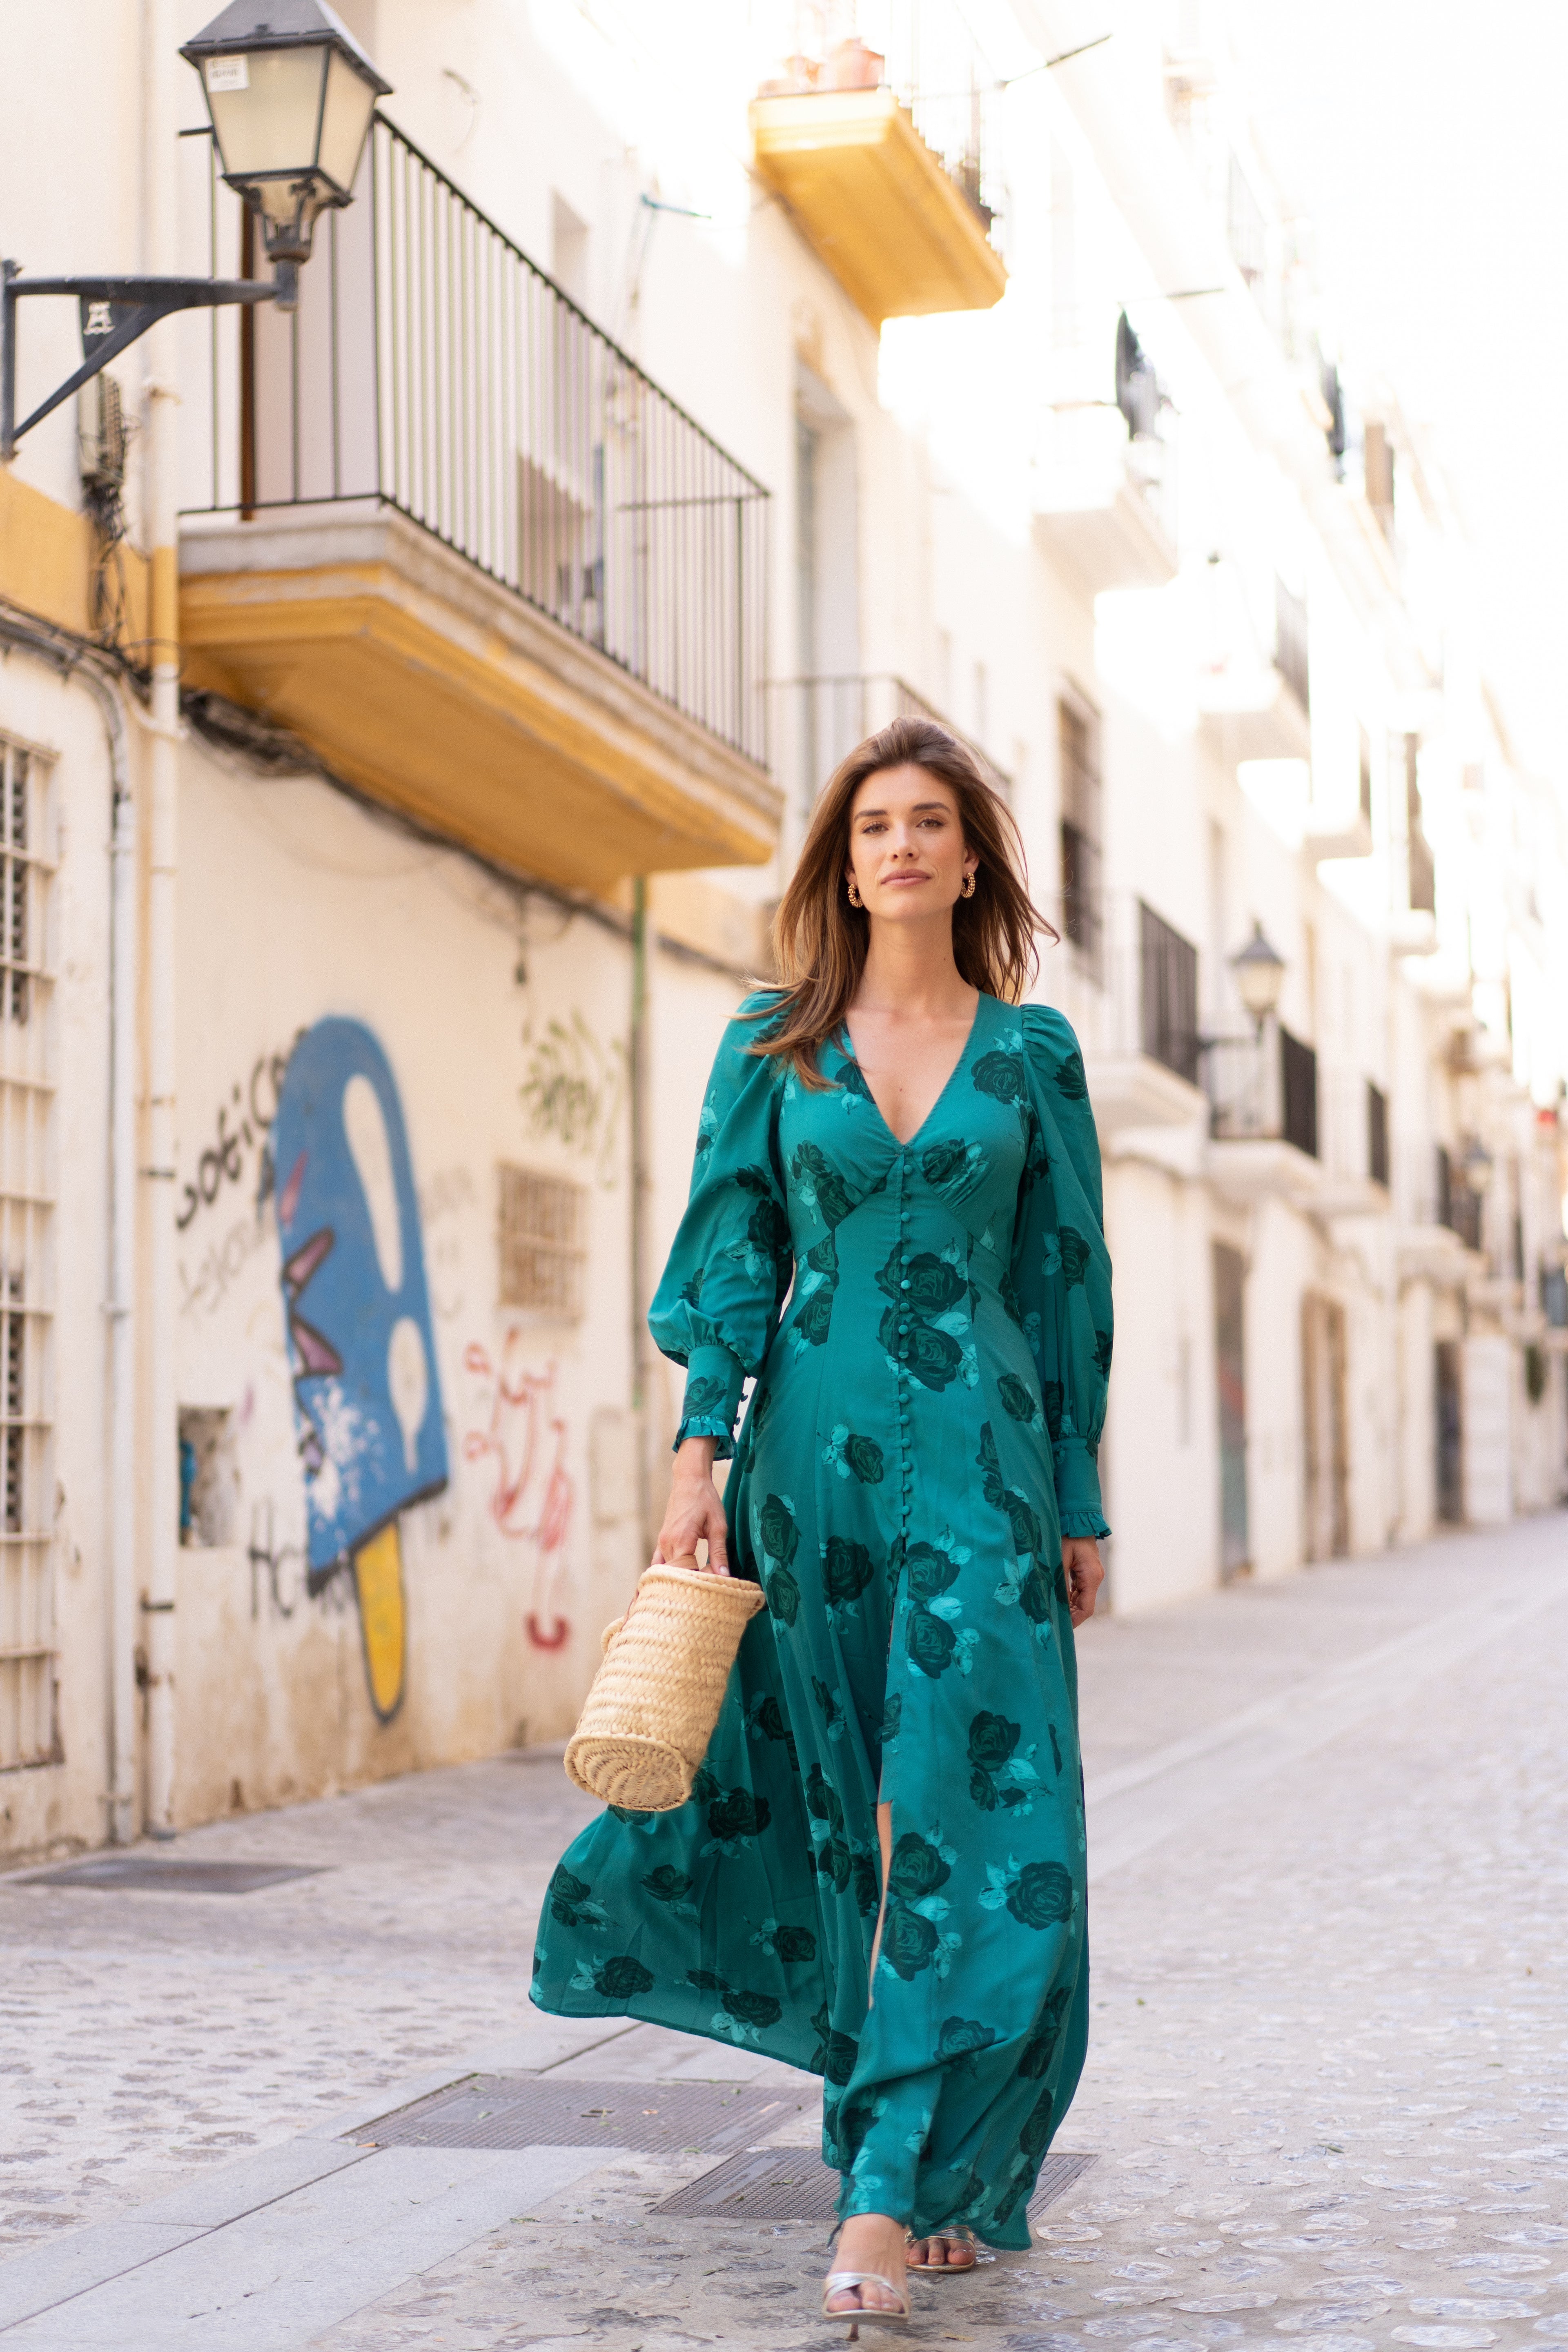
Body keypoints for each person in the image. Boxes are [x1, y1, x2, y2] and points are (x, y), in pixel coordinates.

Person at [531, 716, 1111, 2334]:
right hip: (813, 1476)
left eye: (929, 823)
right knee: (854, 1820)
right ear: (845, 868)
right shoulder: (772, 1046)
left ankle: (889, 2175)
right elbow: (732, 1260)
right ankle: (899, 2154)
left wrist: (1077, 1498)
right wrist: (694, 1462)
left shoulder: (1034, 1054)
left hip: (989, 1474)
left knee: (989, 1822)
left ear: (971, 860)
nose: (901, 846)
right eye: (874, 827)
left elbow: (1065, 1280)